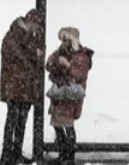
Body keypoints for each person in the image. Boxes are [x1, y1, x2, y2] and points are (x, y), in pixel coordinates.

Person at [1, 9, 46, 165]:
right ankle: (7, 154)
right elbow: (20, 57)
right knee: (13, 120)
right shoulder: (13, 35)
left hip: (25, 86)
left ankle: (15, 153)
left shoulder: (30, 37)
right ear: (29, 21)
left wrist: (36, 48)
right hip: (15, 86)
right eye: (35, 25)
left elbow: (40, 56)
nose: (36, 29)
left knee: (20, 121)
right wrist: (34, 53)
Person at [45, 27, 94, 165]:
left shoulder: (81, 55)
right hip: (61, 93)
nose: (63, 43)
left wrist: (66, 65)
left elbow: (80, 75)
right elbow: (49, 64)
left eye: (66, 39)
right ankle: (64, 154)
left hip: (71, 95)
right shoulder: (61, 52)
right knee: (57, 123)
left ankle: (69, 156)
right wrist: (55, 63)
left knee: (67, 124)